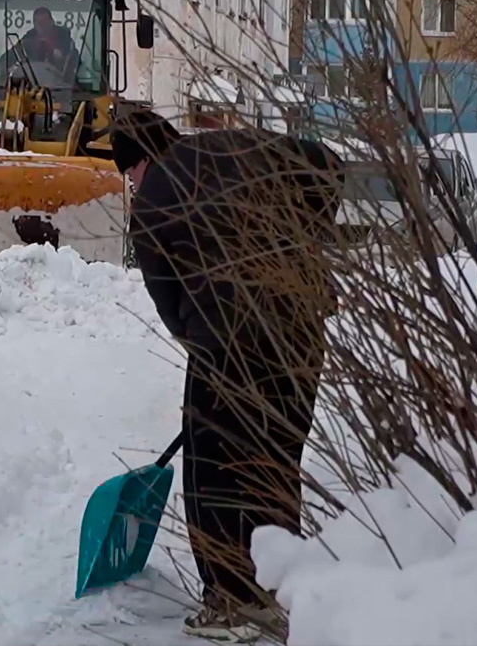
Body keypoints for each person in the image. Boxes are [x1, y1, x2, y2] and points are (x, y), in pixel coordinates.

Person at [111, 111, 343, 643]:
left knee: (213, 468)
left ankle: (230, 600)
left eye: (129, 173)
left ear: (142, 160)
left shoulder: (151, 202)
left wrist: (208, 349)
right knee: (274, 458)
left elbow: (173, 309)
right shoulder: (243, 146)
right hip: (300, 335)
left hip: (226, 342)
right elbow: (328, 162)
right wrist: (307, 239)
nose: (132, 184)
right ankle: (274, 588)